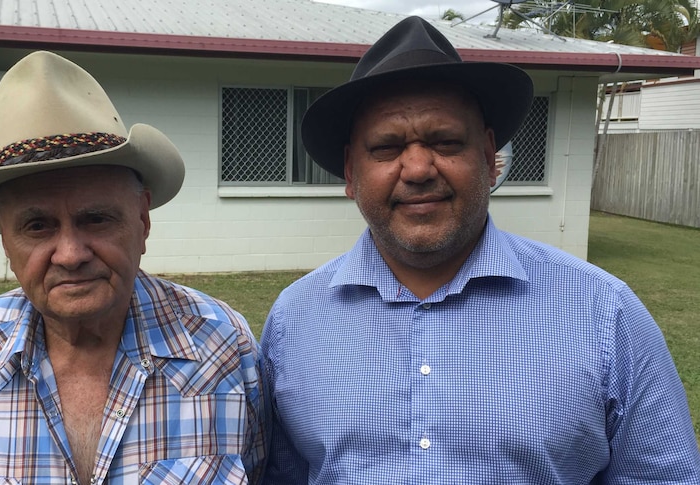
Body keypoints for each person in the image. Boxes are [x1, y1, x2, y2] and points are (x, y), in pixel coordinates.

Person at [261, 16, 700, 484]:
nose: (417, 168)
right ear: (351, 173)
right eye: (386, 148)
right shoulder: (294, 320)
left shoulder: (604, 312)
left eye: (445, 141)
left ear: (490, 157)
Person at [0, 51, 267, 484]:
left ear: (142, 218)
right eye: (37, 225)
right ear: (5, 238)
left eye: (96, 218)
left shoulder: (222, 347)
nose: (69, 254)